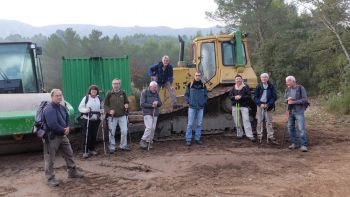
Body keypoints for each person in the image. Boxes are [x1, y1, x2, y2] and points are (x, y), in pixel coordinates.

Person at [43, 89, 83, 187]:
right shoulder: (48, 109)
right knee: (50, 158)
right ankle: (50, 178)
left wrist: (68, 127)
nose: (59, 97)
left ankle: (72, 172)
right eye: (57, 96)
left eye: (60, 95)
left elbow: (67, 118)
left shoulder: (61, 107)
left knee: (69, 153)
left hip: (62, 135)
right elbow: (52, 124)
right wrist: (63, 130)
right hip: (52, 137)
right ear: (52, 97)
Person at [104, 79, 130, 154]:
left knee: (124, 131)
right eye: (114, 84)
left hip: (122, 115)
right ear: (112, 85)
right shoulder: (109, 93)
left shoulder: (123, 93)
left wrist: (126, 105)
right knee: (112, 132)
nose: (116, 85)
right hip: (112, 117)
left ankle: (123, 146)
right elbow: (105, 105)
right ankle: (112, 147)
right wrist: (109, 111)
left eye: (117, 84)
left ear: (119, 85)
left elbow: (126, 102)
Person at [284, 75, 309, 152]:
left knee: (301, 128)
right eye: (286, 82)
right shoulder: (287, 90)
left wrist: (294, 102)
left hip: (299, 111)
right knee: (290, 127)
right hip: (290, 111)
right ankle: (294, 143)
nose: (287, 83)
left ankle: (304, 145)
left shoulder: (301, 88)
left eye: (288, 82)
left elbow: (305, 100)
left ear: (293, 81)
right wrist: (287, 100)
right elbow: (284, 99)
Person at [229, 74, 255, 142]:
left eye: (239, 79)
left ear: (241, 80)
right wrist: (234, 97)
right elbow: (230, 96)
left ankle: (250, 135)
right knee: (237, 121)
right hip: (235, 106)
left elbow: (249, 96)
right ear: (235, 80)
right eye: (237, 79)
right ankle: (239, 134)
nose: (238, 80)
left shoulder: (245, 87)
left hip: (244, 106)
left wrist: (241, 97)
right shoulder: (233, 87)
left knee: (246, 120)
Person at [78, 85, 102, 158]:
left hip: (96, 120)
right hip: (87, 119)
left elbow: (101, 107)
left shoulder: (99, 99)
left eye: (95, 90)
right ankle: (85, 151)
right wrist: (86, 110)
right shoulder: (86, 98)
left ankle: (92, 149)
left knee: (94, 135)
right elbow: (80, 108)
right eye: (92, 90)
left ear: (97, 91)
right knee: (87, 135)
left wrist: (102, 110)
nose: (94, 91)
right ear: (90, 91)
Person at [185, 71, 208, 146]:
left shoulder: (203, 85)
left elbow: (206, 95)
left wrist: (203, 102)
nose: (197, 77)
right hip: (192, 107)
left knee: (199, 124)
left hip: (200, 107)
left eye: (199, 75)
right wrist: (189, 102)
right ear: (194, 76)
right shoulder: (190, 85)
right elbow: (186, 95)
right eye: (196, 75)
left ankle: (197, 139)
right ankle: (188, 139)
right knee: (190, 124)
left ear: (200, 76)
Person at [254, 73, 278, 144]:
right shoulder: (258, 86)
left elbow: (274, 97)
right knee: (259, 121)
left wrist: (268, 104)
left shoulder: (271, 86)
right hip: (260, 105)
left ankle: (270, 136)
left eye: (265, 77)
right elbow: (255, 97)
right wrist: (260, 104)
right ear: (260, 78)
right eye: (262, 77)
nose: (264, 79)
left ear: (267, 78)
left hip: (268, 106)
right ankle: (259, 135)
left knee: (269, 121)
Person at [139, 81, 162, 149]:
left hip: (155, 113)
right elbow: (142, 104)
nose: (155, 89)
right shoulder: (144, 92)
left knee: (153, 128)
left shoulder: (156, 93)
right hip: (147, 113)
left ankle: (149, 142)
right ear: (150, 87)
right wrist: (152, 105)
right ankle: (143, 140)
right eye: (154, 87)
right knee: (149, 127)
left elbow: (160, 103)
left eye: (156, 87)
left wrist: (157, 103)